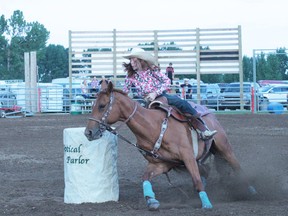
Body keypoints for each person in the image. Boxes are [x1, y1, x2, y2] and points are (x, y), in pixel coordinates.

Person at [122, 48, 217, 140]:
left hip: (161, 96)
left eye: (134, 60)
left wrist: (155, 93)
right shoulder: (130, 76)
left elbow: (167, 81)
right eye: (131, 60)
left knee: (183, 104)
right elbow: (125, 91)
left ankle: (203, 129)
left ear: (141, 60)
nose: (132, 63)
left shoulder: (152, 70)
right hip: (145, 101)